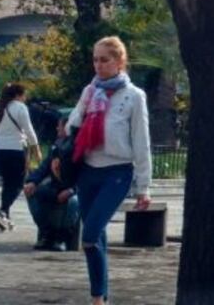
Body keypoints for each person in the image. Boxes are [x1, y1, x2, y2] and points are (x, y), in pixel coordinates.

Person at [68, 36, 151, 305]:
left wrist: (143, 186)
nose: (99, 65)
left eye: (105, 60)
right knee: (97, 238)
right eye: (95, 59)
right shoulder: (89, 91)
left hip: (117, 171)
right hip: (87, 170)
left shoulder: (134, 96)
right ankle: (98, 298)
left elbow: (141, 140)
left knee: (90, 234)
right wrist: (84, 114)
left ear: (119, 62)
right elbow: (72, 125)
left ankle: (99, 297)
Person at [0, 82, 42, 232]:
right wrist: (36, 148)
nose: (25, 98)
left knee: (7, 185)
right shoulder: (20, 107)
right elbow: (29, 130)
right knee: (18, 185)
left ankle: (5, 218)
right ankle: (2, 211)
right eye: (24, 95)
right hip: (16, 150)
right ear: (18, 95)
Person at [24, 117, 80, 251]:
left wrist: (72, 190)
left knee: (73, 202)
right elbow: (44, 167)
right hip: (55, 187)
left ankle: (62, 238)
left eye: (59, 126)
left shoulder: (78, 146)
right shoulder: (57, 145)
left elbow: (85, 175)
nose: (57, 129)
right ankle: (47, 233)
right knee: (32, 193)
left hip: (73, 189)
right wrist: (32, 181)